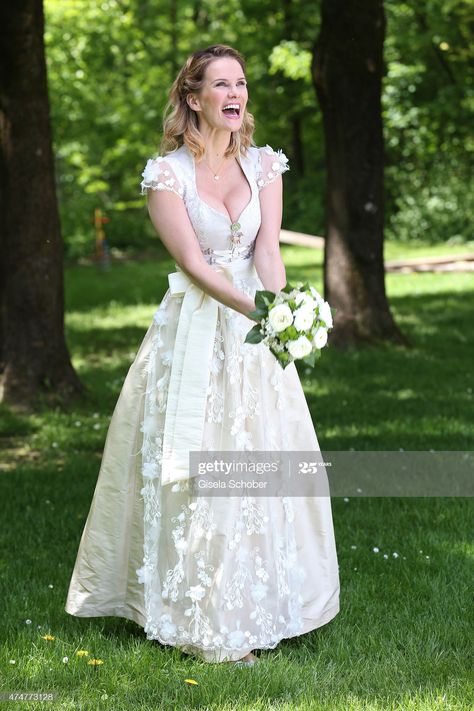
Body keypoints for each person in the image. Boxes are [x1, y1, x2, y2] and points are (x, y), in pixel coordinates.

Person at [65, 44, 340, 667]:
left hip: (254, 330)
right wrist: (258, 312)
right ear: (194, 99)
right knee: (198, 469)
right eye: (221, 84)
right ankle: (200, 610)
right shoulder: (168, 176)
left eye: (241, 82)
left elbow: (267, 249)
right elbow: (193, 263)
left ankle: (272, 602)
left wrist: (284, 311)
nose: (235, 93)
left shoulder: (265, 166)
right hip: (193, 333)